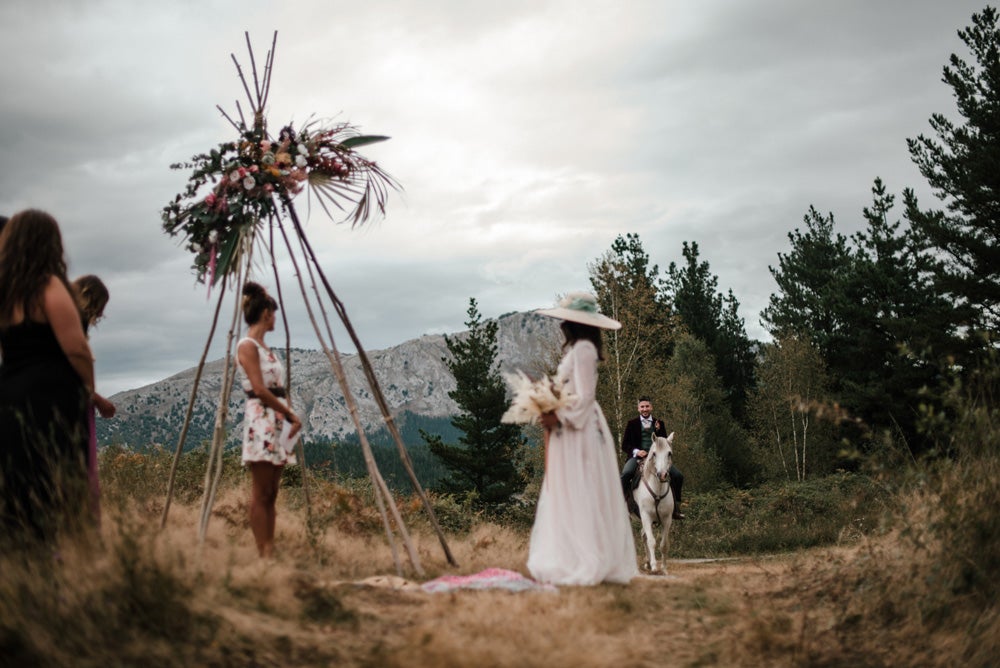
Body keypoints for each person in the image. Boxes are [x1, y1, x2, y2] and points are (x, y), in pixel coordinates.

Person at [527, 292, 639, 585]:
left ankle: (589, 559)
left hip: (579, 428)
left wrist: (558, 416)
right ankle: (571, 556)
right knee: (568, 488)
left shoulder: (584, 350)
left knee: (581, 487)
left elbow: (586, 397)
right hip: (569, 428)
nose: (563, 323)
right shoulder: (577, 349)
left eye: (567, 319)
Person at [0, 209, 94, 544]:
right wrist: (87, 386)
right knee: (59, 477)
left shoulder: (7, 291)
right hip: (50, 396)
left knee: (20, 482)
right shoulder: (47, 285)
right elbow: (77, 349)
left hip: (10, 393)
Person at [236, 281, 301, 558]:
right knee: (261, 491)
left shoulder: (265, 348)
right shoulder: (247, 345)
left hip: (278, 420)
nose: (275, 319)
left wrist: (287, 414)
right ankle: (263, 551)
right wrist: (287, 412)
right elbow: (259, 388)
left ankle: (269, 548)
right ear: (266, 313)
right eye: (273, 313)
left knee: (273, 491)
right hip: (262, 420)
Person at [73, 274, 116, 523]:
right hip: (77, 404)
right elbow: (70, 372)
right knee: (82, 471)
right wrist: (98, 399)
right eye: (101, 308)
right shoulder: (74, 324)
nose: (100, 316)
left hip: (79, 402)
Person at [620, 396, 685, 519]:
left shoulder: (659, 423)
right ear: (638, 408)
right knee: (626, 473)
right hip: (637, 458)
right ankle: (622, 505)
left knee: (678, 476)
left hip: (658, 458)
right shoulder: (631, 423)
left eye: (647, 406)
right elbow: (625, 445)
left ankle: (675, 508)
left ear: (651, 407)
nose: (645, 409)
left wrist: (659, 431)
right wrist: (637, 452)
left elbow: (665, 443)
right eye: (642, 407)